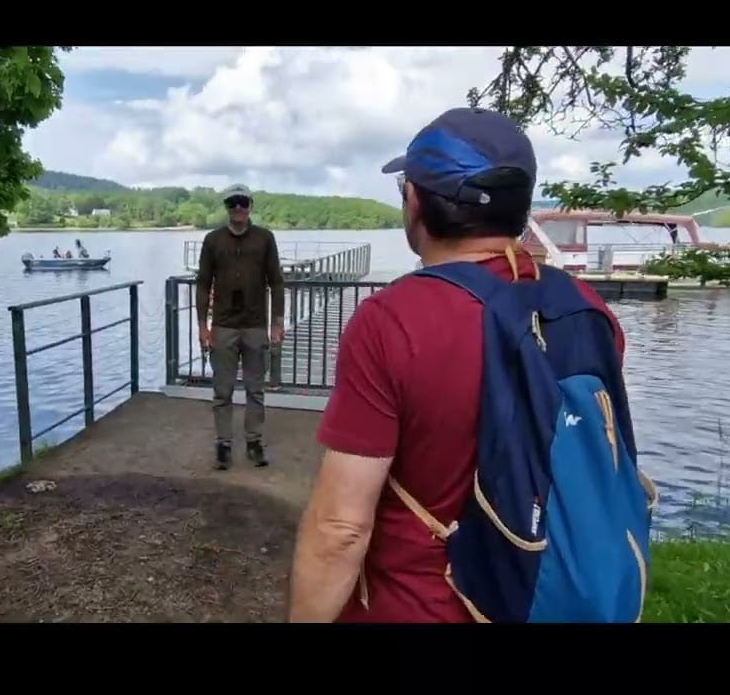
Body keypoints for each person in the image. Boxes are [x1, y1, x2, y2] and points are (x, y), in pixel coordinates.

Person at [287, 107, 635, 623]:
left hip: (419, 606)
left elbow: (341, 529)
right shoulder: (586, 308)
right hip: (547, 596)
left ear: (416, 201)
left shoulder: (392, 321)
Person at [195, 183, 285, 470]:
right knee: (222, 390)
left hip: (256, 326)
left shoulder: (265, 239)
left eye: (243, 202)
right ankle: (223, 444)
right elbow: (202, 283)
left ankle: (254, 441)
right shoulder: (213, 240)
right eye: (233, 203)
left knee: (255, 389)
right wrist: (202, 325)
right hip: (223, 326)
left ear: (250, 205)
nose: (238, 208)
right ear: (226, 206)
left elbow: (277, 282)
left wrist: (277, 323)